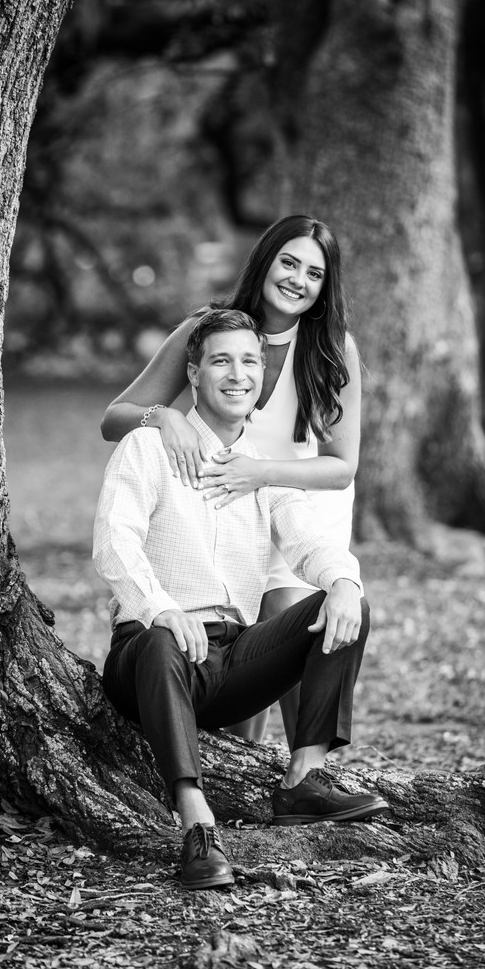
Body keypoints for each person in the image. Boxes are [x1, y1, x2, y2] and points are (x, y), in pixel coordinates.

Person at [94, 309, 387, 891]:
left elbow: (310, 543)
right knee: (158, 643)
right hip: (150, 655)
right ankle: (197, 826)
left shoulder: (259, 470)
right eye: (221, 361)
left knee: (342, 602)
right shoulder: (148, 449)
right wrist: (162, 609)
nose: (238, 374)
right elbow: (114, 541)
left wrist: (345, 583)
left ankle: (304, 777)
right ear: (195, 373)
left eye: (249, 361)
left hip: (229, 661)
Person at [101, 215, 361, 745]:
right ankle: (241, 758)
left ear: (325, 286)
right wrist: (163, 416)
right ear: (265, 261)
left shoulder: (334, 348)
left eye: (314, 272)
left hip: (294, 499)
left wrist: (260, 473)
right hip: (224, 505)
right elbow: (115, 417)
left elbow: (341, 466)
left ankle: (304, 768)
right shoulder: (208, 329)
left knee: (289, 612)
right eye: (288, 262)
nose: (297, 279)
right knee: (238, 639)